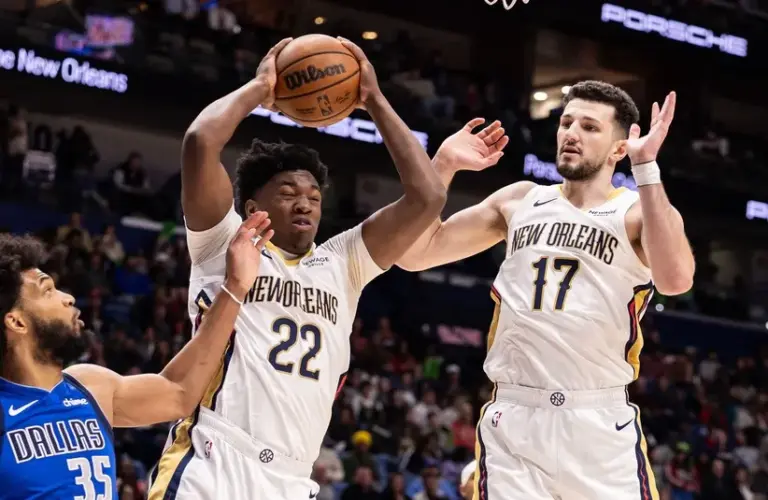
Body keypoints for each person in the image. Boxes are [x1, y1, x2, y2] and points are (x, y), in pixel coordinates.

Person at [147, 36, 493, 500]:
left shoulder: (342, 262)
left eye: (313, 196)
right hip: (215, 457)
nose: (305, 203)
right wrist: (259, 89)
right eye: (289, 193)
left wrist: (373, 99)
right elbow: (199, 142)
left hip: (293, 477)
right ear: (253, 204)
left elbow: (428, 197)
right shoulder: (225, 241)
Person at [398, 80, 695, 499]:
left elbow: (676, 280)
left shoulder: (635, 212)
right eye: (566, 122)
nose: (571, 133)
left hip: (597, 421)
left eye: (590, 127)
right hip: (515, 417)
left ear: (618, 149)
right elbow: (413, 254)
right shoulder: (519, 201)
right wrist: (443, 165)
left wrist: (646, 169)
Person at [0, 213, 273, 499]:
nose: (67, 297)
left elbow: (178, 391)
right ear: (16, 322)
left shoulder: (89, 386)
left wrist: (236, 287)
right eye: (47, 291)